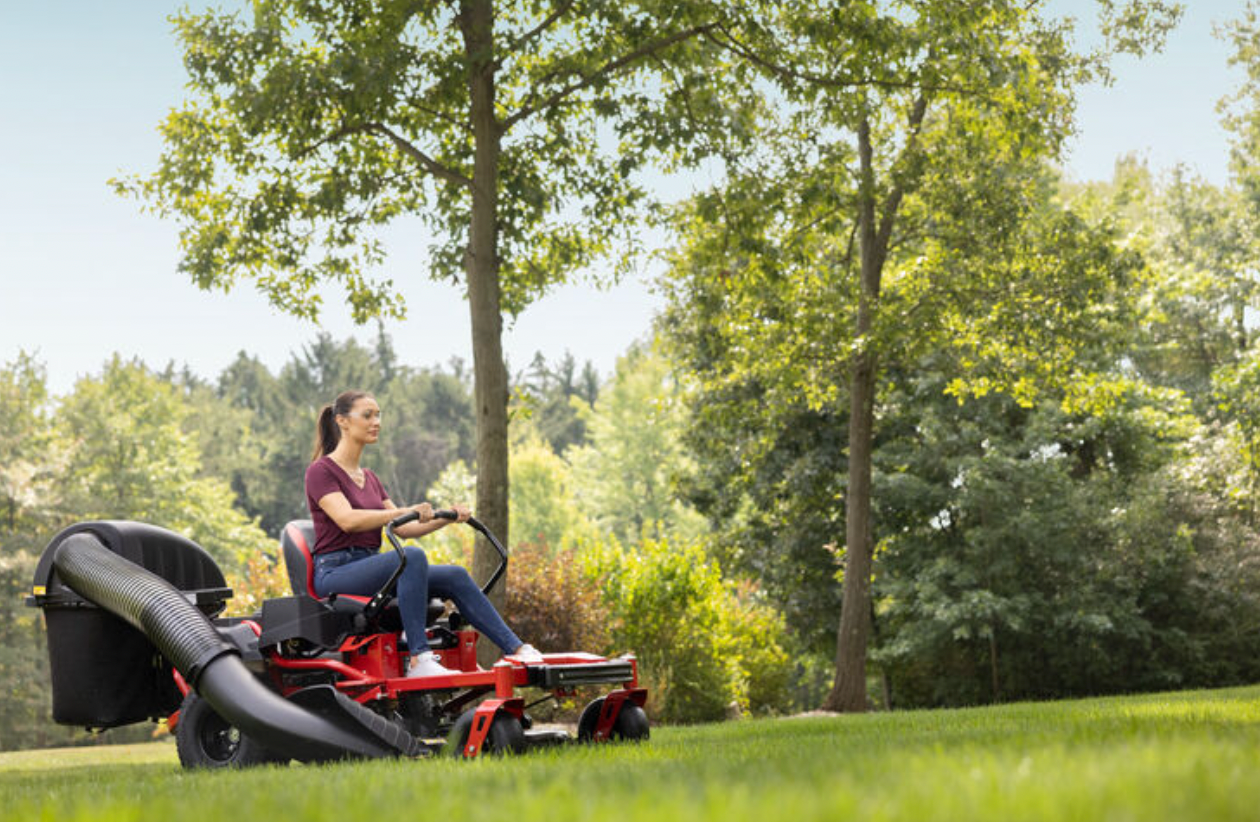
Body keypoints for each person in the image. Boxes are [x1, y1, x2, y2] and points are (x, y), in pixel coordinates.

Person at [304, 389, 540, 677]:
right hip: (335, 573)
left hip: (369, 566)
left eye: (378, 415)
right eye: (367, 415)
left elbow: (404, 528)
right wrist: (403, 510)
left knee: (454, 575)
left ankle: (515, 650)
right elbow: (347, 520)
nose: (376, 421)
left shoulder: (370, 478)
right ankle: (419, 657)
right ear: (342, 421)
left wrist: (446, 516)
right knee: (411, 558)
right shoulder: (321, 471)